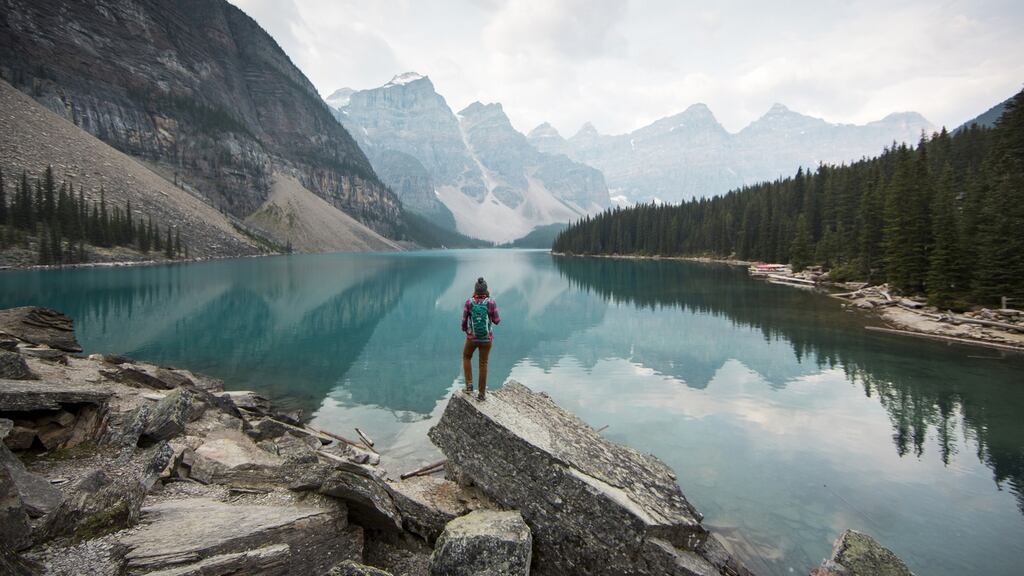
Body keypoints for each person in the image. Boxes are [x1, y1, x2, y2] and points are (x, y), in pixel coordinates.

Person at [461, 277, 501, 400]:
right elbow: (497, 321)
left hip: (472, 338)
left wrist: (466, 330)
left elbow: (463, 322)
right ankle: (481, 394)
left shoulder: (469, 302)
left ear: (475, 290)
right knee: (483, 363)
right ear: (486, 290)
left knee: (467, 357)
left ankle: (469, 386)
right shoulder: (491, 302)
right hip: (486, 339)